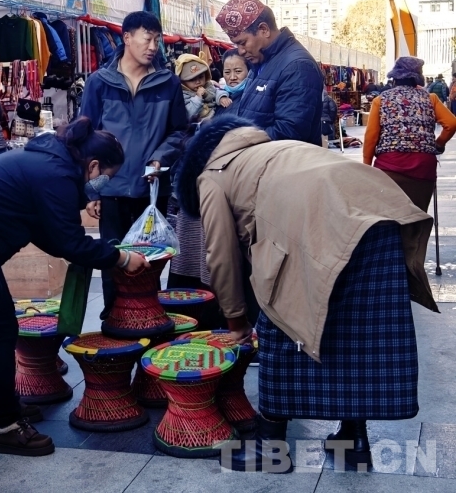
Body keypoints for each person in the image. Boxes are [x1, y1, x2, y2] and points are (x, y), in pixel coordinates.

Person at [177, 115, 436, 473]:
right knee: (353, 338)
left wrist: (236, 320)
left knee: (280, 329)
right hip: (380, 220)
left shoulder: (211, 175)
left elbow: (220, 254)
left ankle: (269, 449)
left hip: (318, 228)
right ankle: (353, 443)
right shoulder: (277, 148)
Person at [0, 118, 149, 453]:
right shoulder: (57, 176)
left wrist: (100, 253)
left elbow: (50, 236)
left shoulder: (49, 162)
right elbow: (70, 243)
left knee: (0, 327)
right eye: (105, 177)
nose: (100, 185)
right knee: (0, 329)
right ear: (92, 165)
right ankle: (6, 425)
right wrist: (122, 259)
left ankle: (0, 404)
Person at [79, 11, 188, 316]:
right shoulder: (100, 82)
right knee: (113, 259)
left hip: (151, 191)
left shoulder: (168, 83)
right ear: (127, 38)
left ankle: (147, 317)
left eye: (157, 40)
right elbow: (86, 135)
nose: (153, 46)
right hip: (111, 190)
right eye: (147, 38)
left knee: (149, 262)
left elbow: (179, 130)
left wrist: (160, 157)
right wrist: (91, 192)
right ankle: (114, 319)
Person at [167, 50, 250, 327]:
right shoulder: (186, 99)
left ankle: (216, 314)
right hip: (193, 183)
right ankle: (193, 315)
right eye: (228, 72)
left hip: (219, 185)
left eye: (238, 71)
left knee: (214, 250)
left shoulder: (240, 100)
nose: (233, 77)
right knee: (195, 250)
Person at [216, 0, 325, 145]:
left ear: (264, 30)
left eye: (243, 42)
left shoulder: (297, 66)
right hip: (260, 158)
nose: (240, 51)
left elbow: (290, 133)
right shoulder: (260, 62)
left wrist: (235, 141)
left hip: (282, 160)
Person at [363, 57, 456, 213]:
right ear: (418, 78)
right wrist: (439, 144)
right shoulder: (430, 98)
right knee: (418, 215)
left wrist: (366, 166)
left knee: (389, 217)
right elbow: (452, 123)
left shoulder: (381, 100)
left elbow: (371, 138)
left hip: (389, 166)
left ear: (395, 77)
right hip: (423, 167)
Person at [175, 53, 227, 122]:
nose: (198, 82)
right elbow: (189, 113)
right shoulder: (183, 95)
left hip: (214, 116)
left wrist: (221, 97)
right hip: (197, 123)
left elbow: (216, 91)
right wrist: (198, 97)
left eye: (201, 77)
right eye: (192, 79)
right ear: (183, 82)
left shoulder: (208, 85)